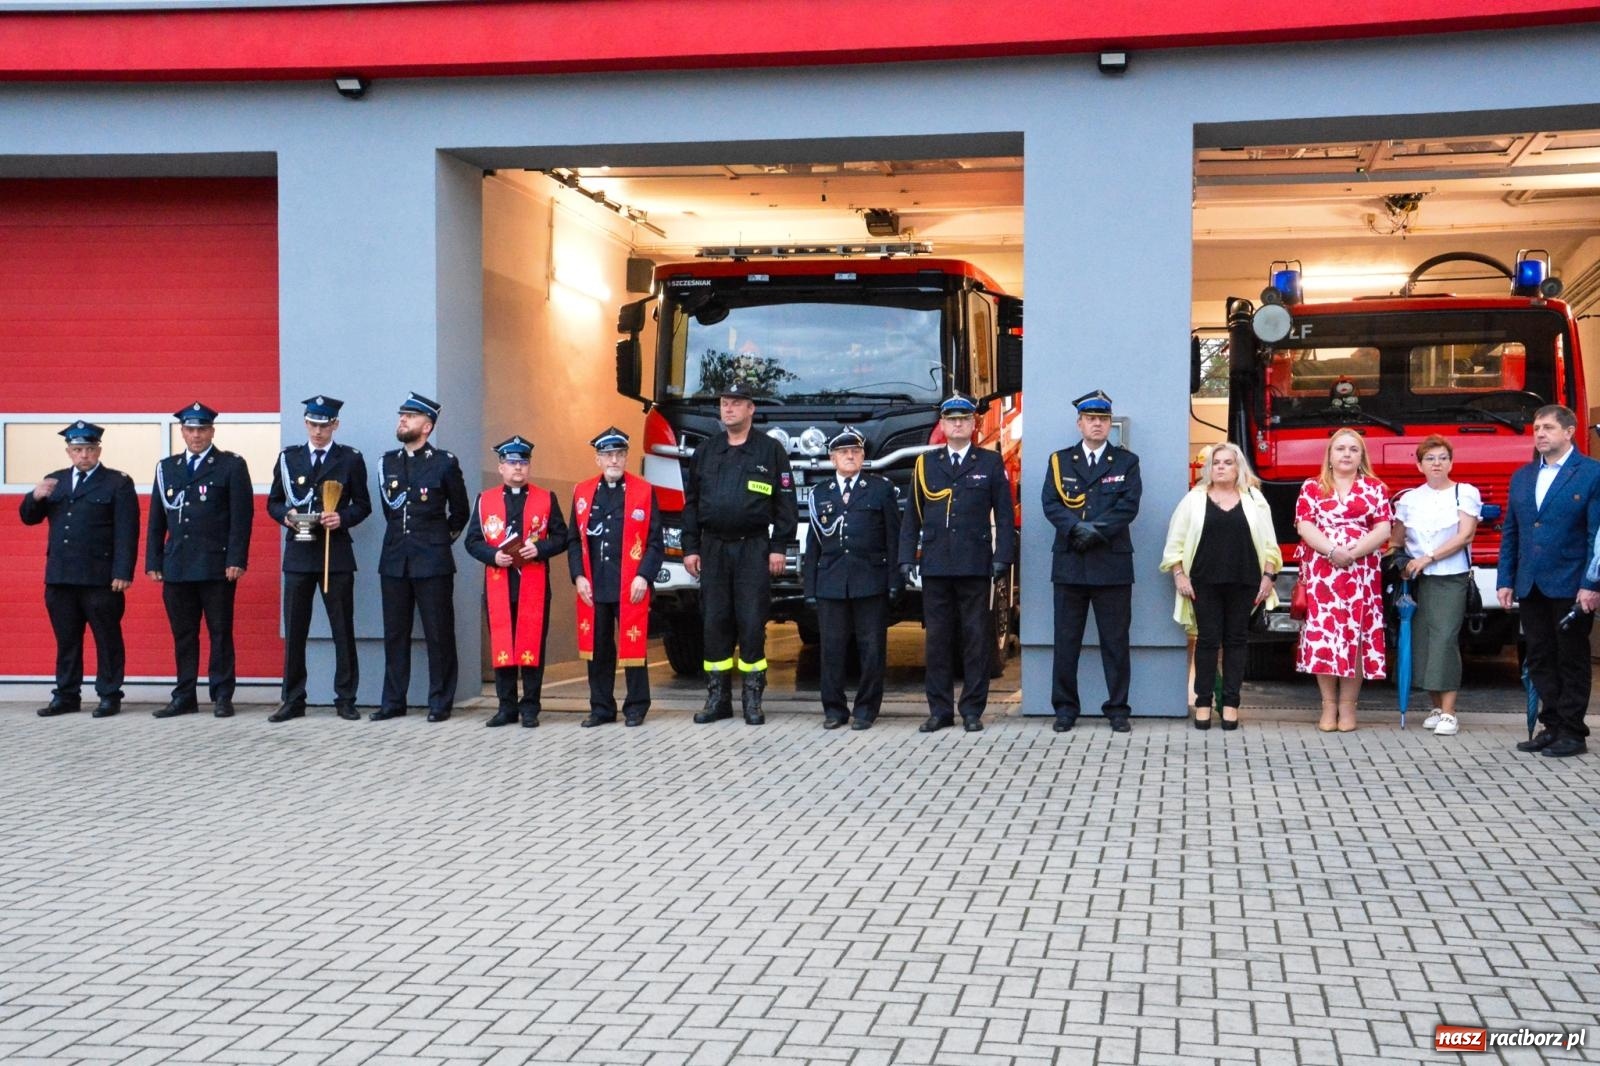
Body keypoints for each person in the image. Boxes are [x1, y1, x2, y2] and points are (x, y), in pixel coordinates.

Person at [900, 393, 1017, 733]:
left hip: (973, 563)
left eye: (963, 419)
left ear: (974, 424)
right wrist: (907, 556)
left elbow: (1006, 517)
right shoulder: (926, 464)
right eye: (951, 419)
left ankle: (971, 709)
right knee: (937, 641)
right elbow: (912, 516)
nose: (957, 424)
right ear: (942, 424)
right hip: (935, 564)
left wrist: (1003, 558)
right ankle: (939, 711)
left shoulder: (989, 463)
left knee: (975, 638)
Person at [682, 380, 797, 726]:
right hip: (713, 547)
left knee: (750, 622)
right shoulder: (707, 451)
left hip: (753, 548)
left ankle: (752, 699)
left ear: (751, 409)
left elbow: (785, 504)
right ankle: (717, 698)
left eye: (736, 403)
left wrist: (779, 547)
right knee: (715, 621)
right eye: (724, 403)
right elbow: (692, 504)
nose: (728, 408)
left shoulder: (770, 451)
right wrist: (690, 547)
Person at [1497, 404, 1600, 758]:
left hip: (1572, 583)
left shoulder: (1591, 473)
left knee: (1570, 658)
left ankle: (1573, 732)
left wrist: (1592, 583)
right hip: (1530, 584)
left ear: (1569, 432)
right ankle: (1551, 725)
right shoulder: (1522, 477)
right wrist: (1505, 578)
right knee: (1539, 657)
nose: (1539, 433)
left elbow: (1596, 535)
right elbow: (1512, 531)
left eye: (1548, 428)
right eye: (1536, 428)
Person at [19, 421, 140, 718]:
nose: (83, 455)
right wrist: (34, 496)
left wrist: (122, 571)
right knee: (67, 639)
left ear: (98, 450)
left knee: (107, 638)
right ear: (68, 452)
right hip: (61, 577)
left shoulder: (117, 482)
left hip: (100, 578)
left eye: (89, 449)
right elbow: (29, 518)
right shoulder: (56, 481)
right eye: (77, 450)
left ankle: (109, 695)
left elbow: (127, 531)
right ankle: (66, 694)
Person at [1159, 441, 1280, 730]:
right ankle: (1202, 702)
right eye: (1216, 463)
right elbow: (1174, 542)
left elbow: (1269, 543)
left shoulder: (1254, 499)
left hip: (1245, 581)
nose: (1222, 467)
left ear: (1239, 467)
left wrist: (1268, 576)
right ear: (1209, 468)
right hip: (1203, 582)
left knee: (1237, 642)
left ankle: (1230, 703)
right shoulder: (1194, 499)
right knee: (1208, 641)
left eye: (1228, 462)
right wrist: (1179, 574)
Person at [264, 395, 371, 723]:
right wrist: (286, 516)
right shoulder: (289, 458)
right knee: (296, 630)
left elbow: (363, 505)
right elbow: (274, 502)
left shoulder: (350, 459)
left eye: (324, 425)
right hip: (299, 553)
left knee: (342, 628)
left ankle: (346, 698)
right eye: (313, 424)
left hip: (335, 554)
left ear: (335, 425)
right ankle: (293, 698)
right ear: (305, 423)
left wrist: (343, 518)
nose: (318, 431)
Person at [1041, 389, 1142, 733]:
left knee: (1115, 643)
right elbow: (1051, 503)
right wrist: (1075, 530)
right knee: (1066, 642)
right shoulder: (1060, 461)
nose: (1097, 424)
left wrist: (1094, 532)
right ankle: (1066, 709)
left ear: (1109, 423)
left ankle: (1117, 709)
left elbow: (1128, 506)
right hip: (1070, 563)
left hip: (1111, 565)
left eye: (1103, 419)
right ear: (1079, 423)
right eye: (1091, 419)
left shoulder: (1127, 462)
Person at [147, 401, 254, 719]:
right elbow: (157, 517)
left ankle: (222, 695)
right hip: (178, 565)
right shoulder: (167, 467)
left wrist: (237, 558)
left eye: (202, 429)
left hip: (216, 565)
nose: (196, 435)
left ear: (212, 431)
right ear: (182, 432)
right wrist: (154, 560)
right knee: (183, 634)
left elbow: (241, 517)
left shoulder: (230, 465)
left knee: (220, 632)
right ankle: (184, 695)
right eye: (190, 429)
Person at [373, 392, 470, 723]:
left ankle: (440, 701)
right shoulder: (387, 462)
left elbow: (460, 512)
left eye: (410, 417)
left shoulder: (443, 462)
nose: (402, 420)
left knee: (438, 633)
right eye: (401, 415)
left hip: (433, 561)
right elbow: (390, 511)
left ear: (426, 426)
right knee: (395, 633)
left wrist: (440, 541)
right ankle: (393, 701)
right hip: (395, 560)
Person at [464, 434, 567, 728]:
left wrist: (541, 548)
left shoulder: (547, 498)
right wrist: (493, 555)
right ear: (501, 467)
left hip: (533, 584)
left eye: (523, 462)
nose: (518, 468)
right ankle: (506, 706)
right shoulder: (486, 500)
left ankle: (531, 707)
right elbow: (471, 541)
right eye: (512, 462)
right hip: (500, 583)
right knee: (503, 644)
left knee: (533, 645)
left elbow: (562, 537)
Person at [803, 428, 903, 731]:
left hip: (870, 580)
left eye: (856, 452)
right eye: (844, 452)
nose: (850, 456)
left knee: (871, 650)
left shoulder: (880, 490)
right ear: (832, 458)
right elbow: (813, 545)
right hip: (831, 582)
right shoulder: (820, 493)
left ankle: (866, 710)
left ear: (863, 456)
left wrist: (894, 580)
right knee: (831, 650)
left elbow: (892, 538)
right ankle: (834, 709)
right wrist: (810, 587)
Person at [1293, 427, 1392, 732]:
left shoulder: (1375, 488)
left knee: (1355, 638)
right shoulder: (1312, 487)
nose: (1347, 454)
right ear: (1330, 455)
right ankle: (1328, 706)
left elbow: (1383, 529)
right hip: (1322, 571)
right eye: (1341, 449)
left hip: (1360, 572)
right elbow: (1304, 526)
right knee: (1325, 637)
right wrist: (1333, 550)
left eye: (1353, 449)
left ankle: (1348, 707)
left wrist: (1354, 552)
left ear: (1361, 456)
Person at [570, 426, 662, 728]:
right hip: (594, 584)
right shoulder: (582, 492)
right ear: (598, 459)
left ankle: (636, 706)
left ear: (626, 458)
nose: (614, 460)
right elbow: (574, 540)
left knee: (633, 646)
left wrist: (644, 577)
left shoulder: (643, 491)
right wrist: (578, 576)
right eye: (608, 455)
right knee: (598, 648)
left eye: (619, 454)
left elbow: (654, 542)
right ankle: (601, 707)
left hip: (630, 583)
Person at [1390, 435, 1480, 737]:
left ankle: (1451, 712)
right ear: (1419, 465)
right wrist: (1403, 564)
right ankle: (1436, 707)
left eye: (1442, 457)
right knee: (1423, 642)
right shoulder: (1409, 500)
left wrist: (1428, 558)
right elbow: (1397, 540)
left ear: (1451, 462)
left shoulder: (1464, 493)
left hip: (1450, 576)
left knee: (1444, 639)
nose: (1437, 463)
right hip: (1416, 580)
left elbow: (1465, 535)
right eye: (1430, 458)